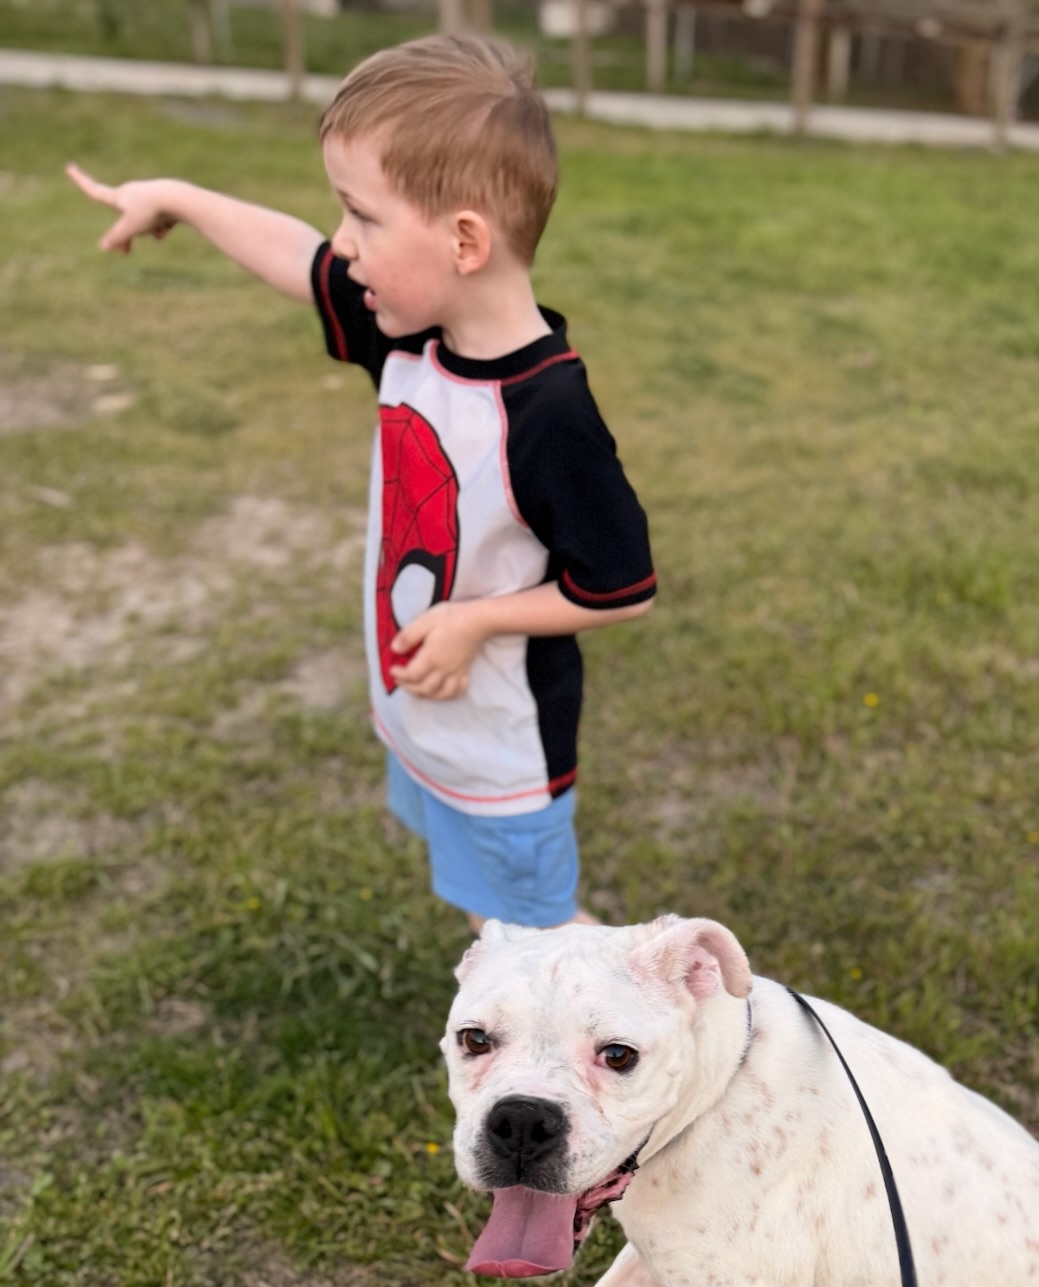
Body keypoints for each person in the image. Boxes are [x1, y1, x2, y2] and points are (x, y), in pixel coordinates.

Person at [68, 35, 655, 933]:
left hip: (503, 751)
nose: (343, 244)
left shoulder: (548, 414)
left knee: (543, 944)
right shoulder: (411, 336)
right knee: (490, 918)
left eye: (362, 217)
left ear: (464, 241)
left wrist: (476, 621)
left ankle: (673, 1009)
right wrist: (177, 198)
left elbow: (620, 587)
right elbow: (299, 259)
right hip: (431, 724)